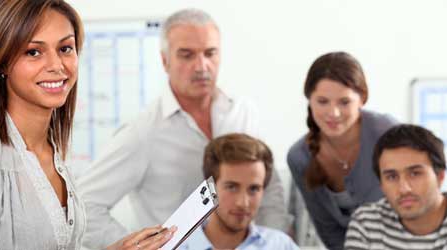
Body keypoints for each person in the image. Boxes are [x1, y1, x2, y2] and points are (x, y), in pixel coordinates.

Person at [0, 1, 173, 250]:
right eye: (33, 52)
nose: (57, 65)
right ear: (1, 61)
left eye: (65, 48)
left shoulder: (55, 154)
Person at [78, 8, 291, 250]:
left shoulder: (242, 113)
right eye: (187, 55)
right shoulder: (143, 132)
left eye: (210, 53)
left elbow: (270, 194)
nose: (202, 66)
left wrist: (272, 243)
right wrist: (141, 246)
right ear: (165, 61)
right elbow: (84, 206)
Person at [287, 51, 399, 250]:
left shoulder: (386, 133)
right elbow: (329, 231)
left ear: (362, 99)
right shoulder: (299, 158)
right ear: (309, 100)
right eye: (322, 101)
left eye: (344, 102)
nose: (333, 113)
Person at [181, 133, 299, 250]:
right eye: (232, 187)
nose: (243, 203)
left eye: (254, 189)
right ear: (209, 188)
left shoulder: (281, 246)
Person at [345, 124, 447, 249]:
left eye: (415, 174)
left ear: (440, 177)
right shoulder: (366, 222)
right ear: (381, 184)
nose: (403, 189)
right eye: (392, 177)